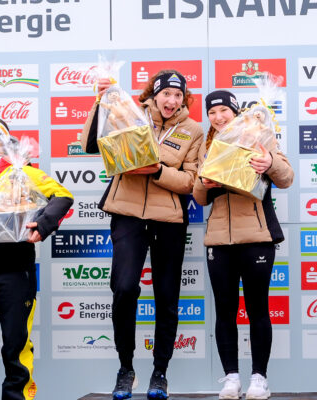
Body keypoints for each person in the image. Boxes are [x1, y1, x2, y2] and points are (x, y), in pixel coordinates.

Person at [81, 70, 204, 400]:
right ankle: (126, 368)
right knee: (123, 288)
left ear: (183, 99)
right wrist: (101, 102)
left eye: (178, 96)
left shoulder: (193, 131)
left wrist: (157, 169)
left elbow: (190, 182)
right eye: (166, 94)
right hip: (128, 215)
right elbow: (91, 144)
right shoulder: (128, 113)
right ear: (155, 94)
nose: (172, 101)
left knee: (166, 297)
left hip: (169, 220)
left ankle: (160, 373)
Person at [0, 117, 73, 400]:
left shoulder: (22, 172)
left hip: (15, 271)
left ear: (5, 140)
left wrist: (42, 227)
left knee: (16, 345)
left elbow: (63, 196)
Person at [192, 91, 294, 400]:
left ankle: (259, 379)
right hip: (219, 239)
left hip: (257, 238)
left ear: (235, 112)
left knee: (257, 308)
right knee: (225, 311)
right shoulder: (207, 145)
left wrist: (269, 161)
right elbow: (199, 197)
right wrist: (203, 183)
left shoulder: (261, 137)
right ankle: (231, 378)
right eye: (212, 112)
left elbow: (287, 177)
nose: (218, 117)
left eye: (224, 110)